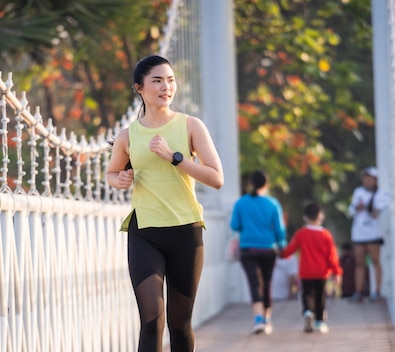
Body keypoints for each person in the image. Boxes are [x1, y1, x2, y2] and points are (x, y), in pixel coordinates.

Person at [106, 55, 224, 352]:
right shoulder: (127, 136)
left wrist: (176, 157)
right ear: (140, 88)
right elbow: (112, 172)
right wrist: (119, 180)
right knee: (152, 318)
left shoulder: (191, 126)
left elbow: (216, 178)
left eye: (170, 80)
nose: (165, 87)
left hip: (186, 231)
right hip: (145, 233)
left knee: (180, 324)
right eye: (157, 81)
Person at [230, 170, 286, 335]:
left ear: (250, 184)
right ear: (266, 185)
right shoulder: (273, 203)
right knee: (267, 283)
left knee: (254, 283)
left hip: (248, 249)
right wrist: (282, 244)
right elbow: (280, 229)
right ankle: (267, 319)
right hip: (268, 249)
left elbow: (235, 226)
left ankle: (257, 319)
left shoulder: (241, 203)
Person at [279, 202, 343, 334]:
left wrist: (281, 253)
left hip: (306, 272)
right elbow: (332, 256)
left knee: (307, 294)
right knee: (320, 296)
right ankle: (319, 321)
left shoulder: (301, 234)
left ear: (305, 218)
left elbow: (290, 249)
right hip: (322, 272)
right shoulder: (326, 235)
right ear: (321, 217)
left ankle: (308, 312)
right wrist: (336, 272)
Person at [347, 166, 389, 302]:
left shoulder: (381, 193)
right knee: (359, 262)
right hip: (359, 233)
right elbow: (350, 210)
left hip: (373, 232)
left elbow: (384, 206)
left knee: (375, 261)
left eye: (369, 178)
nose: (366, 180)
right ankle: (358, 291)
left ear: (375, 179)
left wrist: (377, 210)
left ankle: (377, 291)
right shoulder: (358, 192)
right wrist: (356, 207)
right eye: (365, 178)